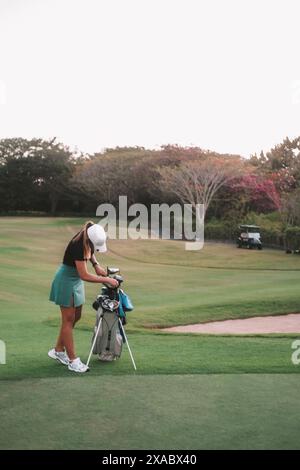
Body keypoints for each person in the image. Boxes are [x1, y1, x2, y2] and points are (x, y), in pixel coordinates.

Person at [48, 221, 118, 373]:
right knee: (68, 319)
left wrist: (96, 264)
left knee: (76, 317)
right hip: (67, 280)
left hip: (75, 281)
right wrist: (107, 279)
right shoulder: (78, 245)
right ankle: (73, 361)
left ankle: (58, 350)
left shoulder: (89, 231)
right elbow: (84, 275)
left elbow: (90, 251)